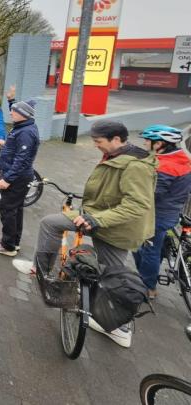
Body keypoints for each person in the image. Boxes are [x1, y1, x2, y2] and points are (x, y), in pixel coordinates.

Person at [13, 120, 157, 348]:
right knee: (50, 223)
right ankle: (41, 269)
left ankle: (120, 328)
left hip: (115, 228)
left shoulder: (136, 166)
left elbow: (138, 205)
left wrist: (98, 219)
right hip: (94, 216)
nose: (96, 145)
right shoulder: (116, 155)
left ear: (116, 139)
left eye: (98, 142)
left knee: (112, 276)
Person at [134, 125, 191, 299]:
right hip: (172, 211)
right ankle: (160, 250)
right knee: (153, 246)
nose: (145, 143)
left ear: (159, 144)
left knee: (142, 248)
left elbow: (152, 194)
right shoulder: (182, 158)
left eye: (148, 140)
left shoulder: (166, 166)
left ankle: (147, 287)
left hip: (157, 215)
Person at [0, 100, 40, 257]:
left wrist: (8, 179)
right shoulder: (23, 127)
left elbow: (22, 159)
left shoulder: (26, 132)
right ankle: (12, 240)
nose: (11, 113)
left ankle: (8, 246)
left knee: (8, 209)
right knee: (16, 209)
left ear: (23, 114)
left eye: (14, 111)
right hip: (18, 176)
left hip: (17, 178)